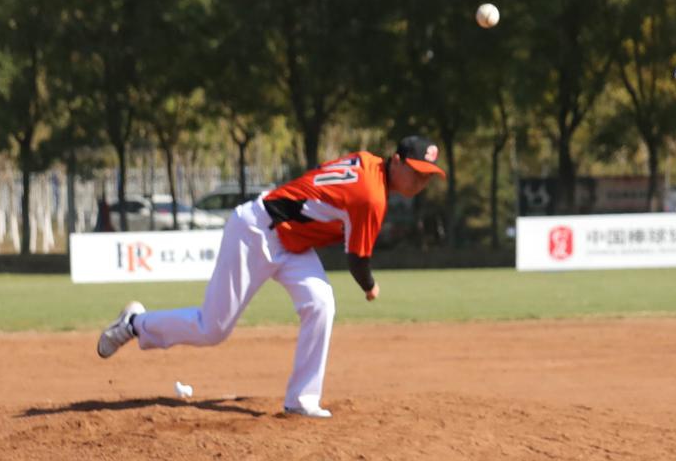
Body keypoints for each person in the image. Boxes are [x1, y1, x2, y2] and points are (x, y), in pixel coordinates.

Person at [95, 136, 443, 417]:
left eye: (427, 175)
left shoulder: (367, 161)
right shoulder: (372, 197)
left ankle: (302, 400)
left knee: (320, 303)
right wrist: (370, 286)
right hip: (258, 232)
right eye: (415, 170)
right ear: (396, 160)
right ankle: (136, 323)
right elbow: (357, 260)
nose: (420, 180)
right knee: (212, 328)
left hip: (293, 242)